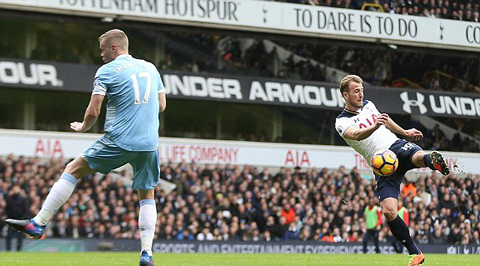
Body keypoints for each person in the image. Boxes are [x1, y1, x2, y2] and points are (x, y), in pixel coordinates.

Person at [6, 29, 166, 266]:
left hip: (120, 139)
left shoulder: (107, 71)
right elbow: (161, 105)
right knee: (147, 194)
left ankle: (38, 223)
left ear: (114, 48)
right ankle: (147, 254)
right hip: (149, 143)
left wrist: (83, 127)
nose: (100, 55)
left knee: (73, 169)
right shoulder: (151, 68)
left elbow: (93, 111)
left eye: (102, 50)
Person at [335, 75, 450, 266]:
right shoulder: (341, 121)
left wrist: (404, 132)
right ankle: (416, 254)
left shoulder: (369, 105)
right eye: (356, 91)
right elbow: (355, 134)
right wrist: (374, 125)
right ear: (345, 95)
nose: (361, 93)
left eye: (362, 89)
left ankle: (433, 161)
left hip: (395, 145)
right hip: (381, 165)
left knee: (417, 157)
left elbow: (385, 120)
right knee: (388, 211)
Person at [5, 185, 30, 251]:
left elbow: (26, 210)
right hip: (11, 219)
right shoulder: (9, 198)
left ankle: (18, 250)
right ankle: (8, 250)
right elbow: (7, 208)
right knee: (9, 236)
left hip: (19, 220)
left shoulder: (23, 199)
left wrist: (24, 219)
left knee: (19, 237)